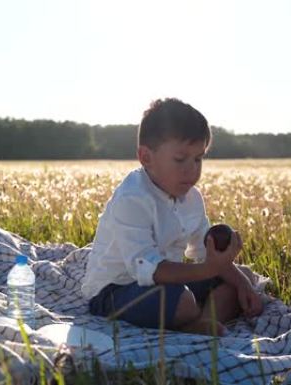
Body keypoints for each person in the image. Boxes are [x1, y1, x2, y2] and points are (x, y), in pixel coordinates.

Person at [81, 98, 263, 336]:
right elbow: (149, 270)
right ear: (146, 157)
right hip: (115, 291)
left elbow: (204, 253)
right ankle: (195, 319)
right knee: (182, 300)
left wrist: (241, 284)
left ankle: (203, 323)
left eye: (198, 159)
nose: (192, 169)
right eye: (180, 159)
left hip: (168, 286)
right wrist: (210, 269)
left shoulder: (192, 198)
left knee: (242, 278)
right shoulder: (132, 198)